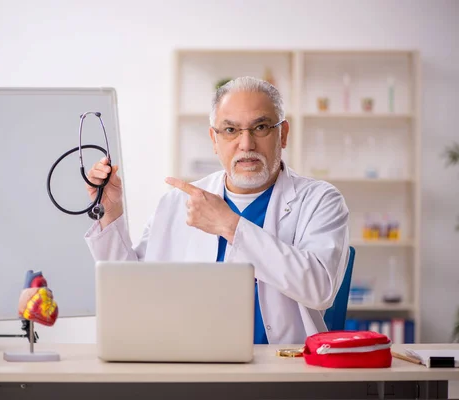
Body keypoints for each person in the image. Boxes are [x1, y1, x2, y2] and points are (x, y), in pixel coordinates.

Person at [83, 76, 350, 344]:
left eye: (260, 127)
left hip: (285, 370)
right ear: (214, 138)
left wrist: (229, 225)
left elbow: (321, 289)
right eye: (231, 130)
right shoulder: (177, 203)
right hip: (193, 365)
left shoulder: (320, 200)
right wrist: (110, 212)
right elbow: (134, 293)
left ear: (283, 134)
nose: (246, 144)